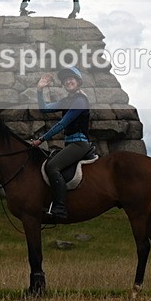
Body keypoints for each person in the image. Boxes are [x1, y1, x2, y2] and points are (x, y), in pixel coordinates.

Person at [31, 67, 91, 219]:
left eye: (71, 79)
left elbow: (62, 124)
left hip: (79, 144)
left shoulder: (80, 101)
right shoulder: (67, 100)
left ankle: (61, 209)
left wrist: (41, 140)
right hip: (70, 144)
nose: (68, 81)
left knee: (52, 166)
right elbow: (44, 109)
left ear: (78, 82)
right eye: (65, 80)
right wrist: (39, 90)